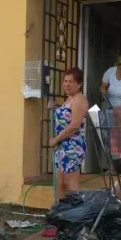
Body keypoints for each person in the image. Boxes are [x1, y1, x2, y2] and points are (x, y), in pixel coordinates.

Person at [50, 68, 89, 197]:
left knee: (70, 182)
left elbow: (74, 126)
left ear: (79, 84)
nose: (67, 84)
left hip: (73, 145)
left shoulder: (79, 99)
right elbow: (65, 118)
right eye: (65, 81)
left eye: (71, 81)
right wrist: (55, 107)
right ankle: (59, 212)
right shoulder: (69, 99)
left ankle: (76, 213)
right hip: (62, 146)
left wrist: (56, 139)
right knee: (59, 182)